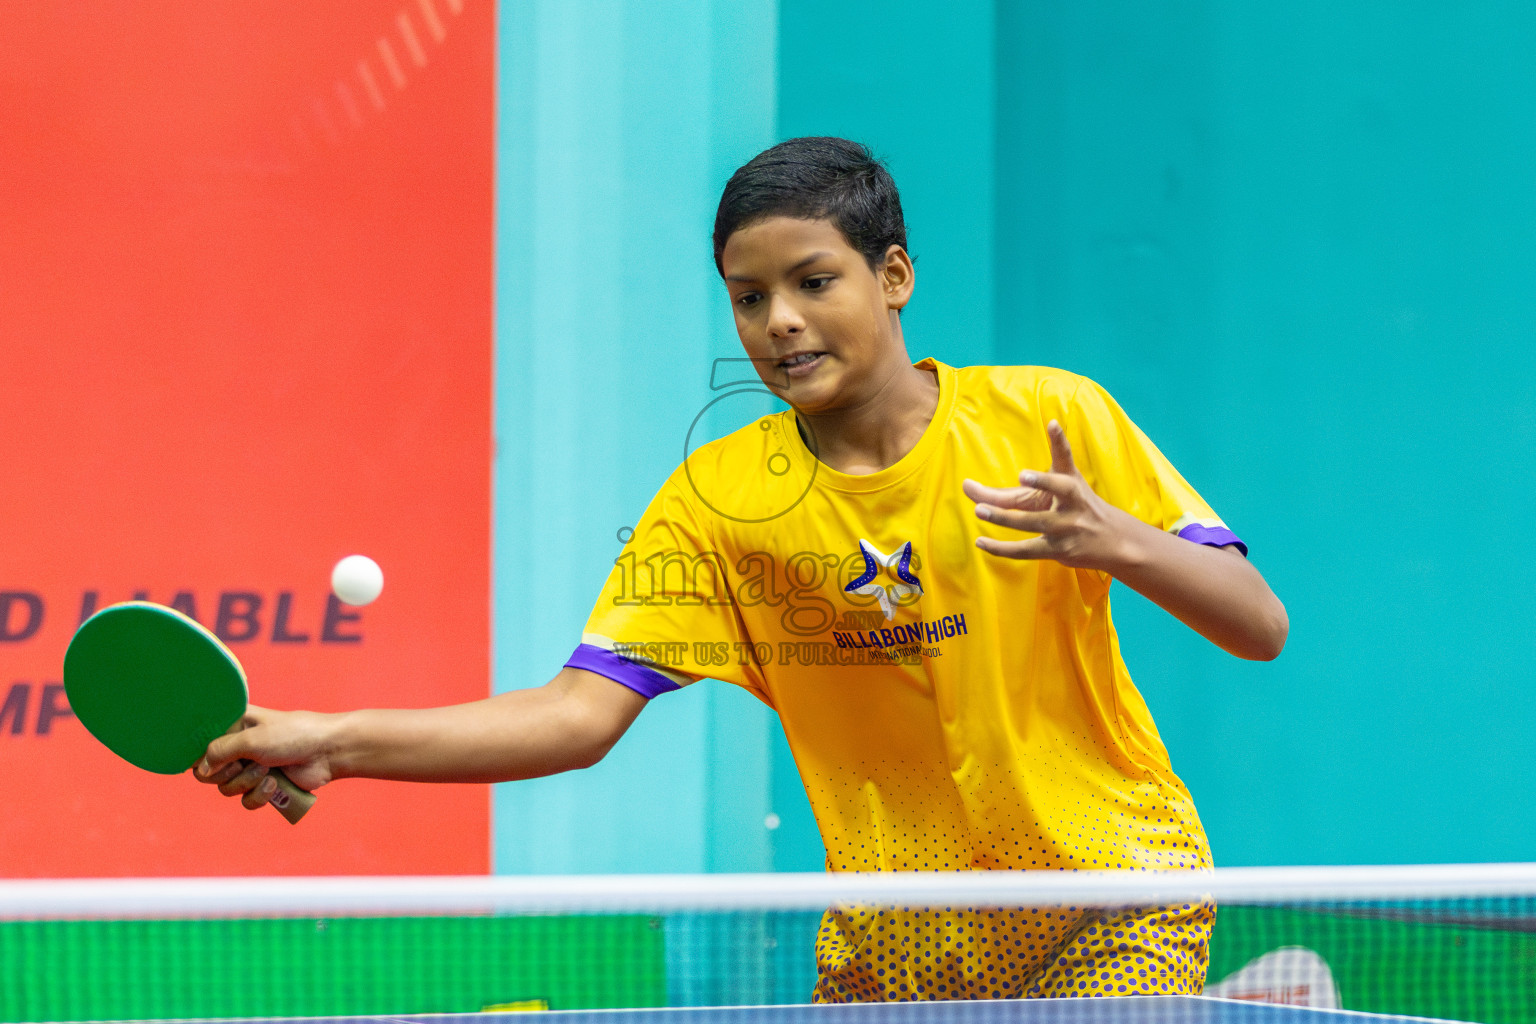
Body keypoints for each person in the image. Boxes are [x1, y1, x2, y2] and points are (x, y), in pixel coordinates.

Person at [197, 137, 1287, 1001]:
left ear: (894, 274)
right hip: (901, 946)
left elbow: (1258, 624)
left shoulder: (1051, 415)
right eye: (748, 296)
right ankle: (1257, 1005)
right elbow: (578, 715)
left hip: (1112, 896)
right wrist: (334, 740)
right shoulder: (718, 497)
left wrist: (1118, 543)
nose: (781, 322)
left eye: (814, 280)